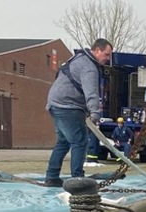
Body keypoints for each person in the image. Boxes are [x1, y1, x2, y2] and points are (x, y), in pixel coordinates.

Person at [43, 38, 113, 187]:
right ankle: (78, 179)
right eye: (106, 55)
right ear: (97, 50)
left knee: (63, 142)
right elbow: (91, 92)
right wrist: (95, 113)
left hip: (55, 104)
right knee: (80, 141)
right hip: (68, 105)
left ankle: (52, 176)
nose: (108, 59)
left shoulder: (78, 58)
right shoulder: (89, 67)